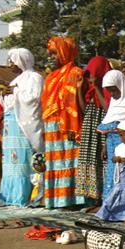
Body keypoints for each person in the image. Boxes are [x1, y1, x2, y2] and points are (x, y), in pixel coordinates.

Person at [41, 36, 84, 209]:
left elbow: (75, 102)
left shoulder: (76, 73)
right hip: (51, 126)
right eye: (50, 54)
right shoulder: (50, 77)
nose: (51, 58)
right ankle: (56, 199)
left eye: (54, 53)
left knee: (69, 160)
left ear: (64, 52)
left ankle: (71, 199)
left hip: (68, 125)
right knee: (55, 162)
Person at [0, 48, 44, 206]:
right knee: (11, 163)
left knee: (23, 162)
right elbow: (9, 104)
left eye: (12, 61)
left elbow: (34, 99)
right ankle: (9, 196)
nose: (10, 64)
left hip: (23, 125)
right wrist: (4, 94)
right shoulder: (14, 81)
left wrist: (15, 91)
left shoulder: (34, 77)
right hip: (10, 125)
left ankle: (25, 196)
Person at [76, 56, 111, 204]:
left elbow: (107, 108)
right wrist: (79, 90)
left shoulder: (108, 88)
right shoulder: (88, 90)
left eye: (93, 73)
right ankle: (92, 198)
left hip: (102, 130)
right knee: (89, 159)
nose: (91, 77)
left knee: (101, 161)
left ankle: (103, 198)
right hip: (89, 130)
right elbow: (85, 109)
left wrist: (97, 88)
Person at [99, 69, 125, 199]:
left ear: (120, 84)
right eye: (109, 90)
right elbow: (109, 126)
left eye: (114, 89)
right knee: (111, 173)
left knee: (124, 175)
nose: (112, 93)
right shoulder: (114, 103)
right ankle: (108, 202)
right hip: (111, 144)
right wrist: (105, 146)